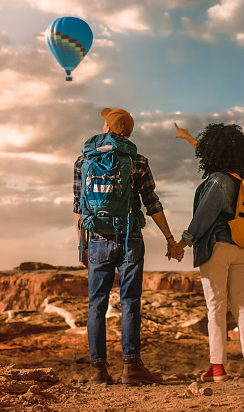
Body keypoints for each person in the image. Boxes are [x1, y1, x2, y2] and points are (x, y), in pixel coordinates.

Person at [73, 107, 178, 385]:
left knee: (97, 304)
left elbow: (79, 210)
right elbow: (152, 202)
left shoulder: (83, 162)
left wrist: (83, 247)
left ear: (107, 128)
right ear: (128, 133)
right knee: (130, 301)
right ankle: (131, 366)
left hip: (97, 239)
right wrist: (169, 239)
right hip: (130, 237)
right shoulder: (137, 161)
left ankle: (98, 370)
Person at [169, 122, 244, 382]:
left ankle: (218, 367)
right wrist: (188, 137)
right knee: (241, 304)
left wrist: (182, 243)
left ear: (215, 154)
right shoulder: (238, 180)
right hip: (239, 249)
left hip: (216, 247)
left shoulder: (218, 182)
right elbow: (208, 151)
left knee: (216, 308)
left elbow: (204, 215)